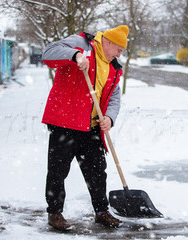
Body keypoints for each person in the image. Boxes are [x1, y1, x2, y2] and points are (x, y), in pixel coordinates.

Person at [41, 25, 129, 230]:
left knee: (97, 172)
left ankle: (101, 211)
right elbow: (48, 54)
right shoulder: (81, 44)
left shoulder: (113, 66)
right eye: (118, 49)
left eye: (121, 52)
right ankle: (55, 213)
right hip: (65, 122)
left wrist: (109, 117)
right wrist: (74, 56)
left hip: (91, 127)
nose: (119, 54)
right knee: (58, 171)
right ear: (107, 42)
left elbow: (115, 96)